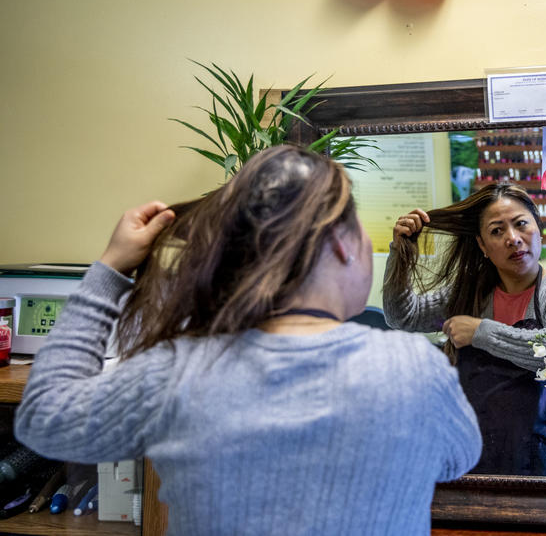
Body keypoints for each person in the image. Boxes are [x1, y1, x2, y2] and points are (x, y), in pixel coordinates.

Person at [14, 145, 481, 536]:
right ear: (340, 243)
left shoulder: (178, 371)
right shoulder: (415, 369)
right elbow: (457, 458)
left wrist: (110, 271)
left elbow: (42, 419)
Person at [383, 182, 546, 476]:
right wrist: (401, 254)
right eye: (497, 231)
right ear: (482, 245)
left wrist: (480, 332)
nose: (513, 239)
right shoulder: (471, 293)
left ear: (538, 228)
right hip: (478, 451)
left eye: (521, 224)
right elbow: (402, 316)